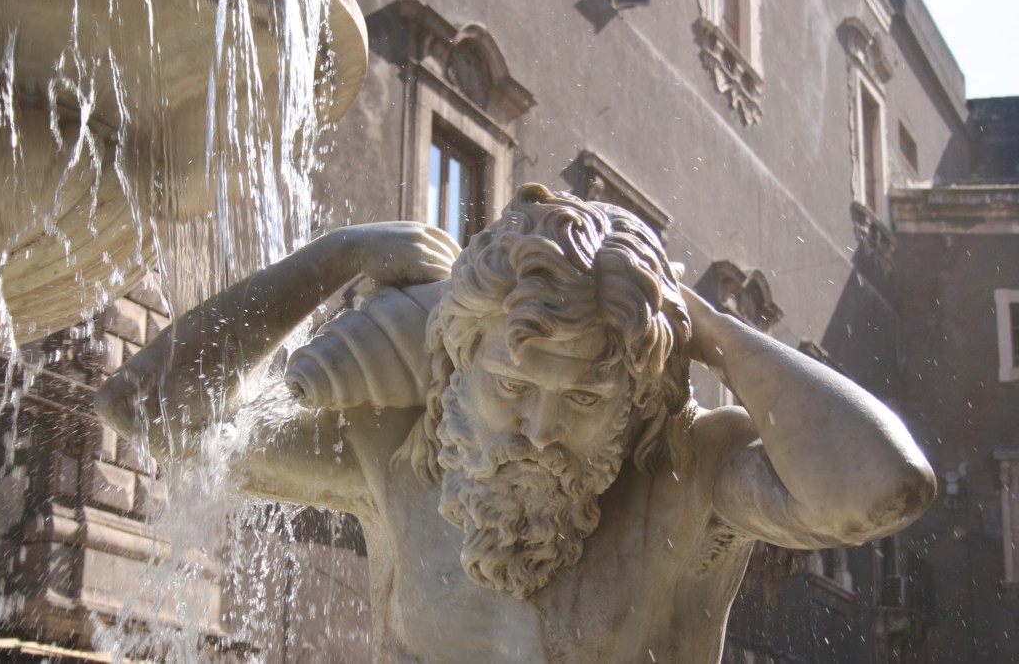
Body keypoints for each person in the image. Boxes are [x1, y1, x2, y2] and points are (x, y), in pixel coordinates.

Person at [97, 183, 936, 663]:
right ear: (457, 365)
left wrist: (701, 324)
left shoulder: (692, 477)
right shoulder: (390, 452)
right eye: (509, 384)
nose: (535, 429)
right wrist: (341, 255)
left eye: (580, 401)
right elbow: (146, 412)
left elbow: (882, 486)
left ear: (632, 405)